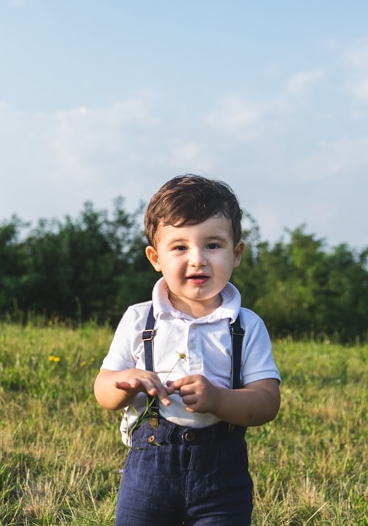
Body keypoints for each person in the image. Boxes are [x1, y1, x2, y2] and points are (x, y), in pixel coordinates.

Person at [93, 174, 282, 525]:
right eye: (180, 247)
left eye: (212, 245)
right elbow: (102, 389)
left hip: (221, 480)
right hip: (148, 474)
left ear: (236, 253)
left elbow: (267, 402)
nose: (197, 259)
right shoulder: (140, 320)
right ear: (155, 257)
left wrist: (218, 400)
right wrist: (124, 383)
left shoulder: (245, 325)